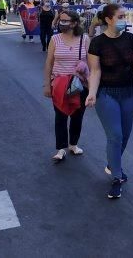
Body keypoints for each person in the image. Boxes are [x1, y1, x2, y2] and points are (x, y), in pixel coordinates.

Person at [85, 4, 133, 199]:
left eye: (124, 16)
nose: (124, 19)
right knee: (115, 135)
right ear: (109, 20)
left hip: (129, 92)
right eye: (120, 16)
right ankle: (117, 178)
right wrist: (92, 93)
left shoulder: (130, 39)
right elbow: (95, 71)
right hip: (106, 93)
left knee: (125, 135)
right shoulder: (97, 43)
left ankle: (113, 164)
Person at [43, 10, 90, 161]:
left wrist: (85, 67)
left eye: (65, 20)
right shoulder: (55, 39)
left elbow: (92, 63)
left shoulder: (84, 39)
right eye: (60, 20)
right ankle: (60, 148)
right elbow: (49, 63)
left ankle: (73, 144)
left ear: (74, 23)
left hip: (79, 85)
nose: (61, 23)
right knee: (60, 116)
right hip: (59, 84)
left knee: (78, 116)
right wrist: (46, 85)